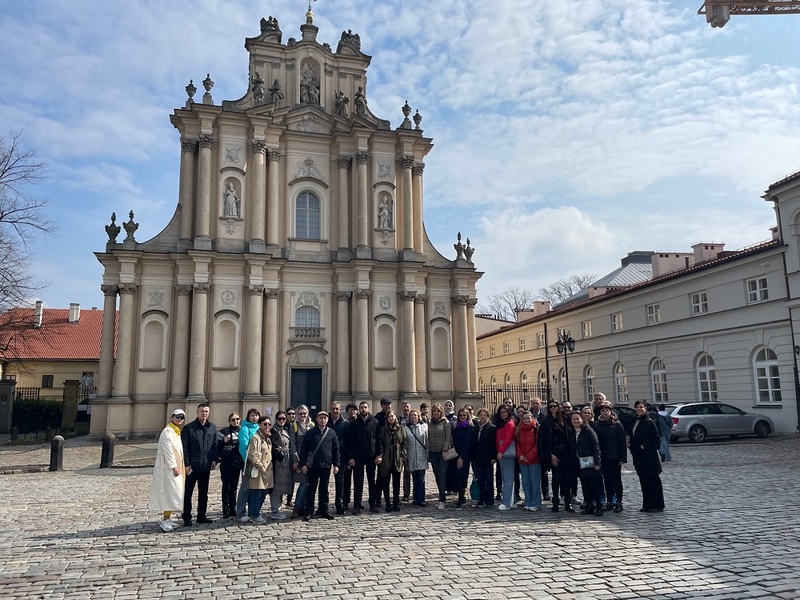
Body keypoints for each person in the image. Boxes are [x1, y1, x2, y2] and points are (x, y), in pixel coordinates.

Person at [148, 409, 186, 531]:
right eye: (177, 417)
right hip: (168, 468)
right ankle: (165, 519)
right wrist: (173, 466)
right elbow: (168, 451)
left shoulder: (176, 431)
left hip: (175, 466)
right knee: (168, 493)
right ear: (172, 417)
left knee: (173, 493)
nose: (179, 419)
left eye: (182, 417)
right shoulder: (168, 432)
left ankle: (168, 517)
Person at [181, 403, 218, 526]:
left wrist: (214, 460)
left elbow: (214, 445)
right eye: (202, 411)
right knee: (188, 493)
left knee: (203, 493)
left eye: (206, 411)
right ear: (197, 412)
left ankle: (201, 515)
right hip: (192, 466)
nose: (204, 414)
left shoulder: (212, 427)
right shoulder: (189, 428)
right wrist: (186, 464)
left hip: (205, 465)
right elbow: (184, 448)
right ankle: (186, 516)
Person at [300, 411, 340, 521]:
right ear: (317, 419)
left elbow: (336, 450)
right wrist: (303, 464)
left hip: (326, 466)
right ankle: (309, 511)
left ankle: (324, 510)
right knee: (311, 489)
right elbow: (304, 449)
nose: (323, 420)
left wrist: (336, 464)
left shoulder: (331, 433)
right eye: (321, 418)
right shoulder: (310, 433)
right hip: (313, 466)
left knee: (324, 489)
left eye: (325, 418)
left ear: (327, 420)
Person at [347, 401, 383, 514]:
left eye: (365, 407)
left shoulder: (375, 422)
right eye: (361, 407)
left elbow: (379, 440)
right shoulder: (354, 424)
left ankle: (373, 504)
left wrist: (379, 454)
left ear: (368, 408)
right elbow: (351, 442)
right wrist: (351, 457)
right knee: (358, 481)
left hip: (371, 456)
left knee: (372, 481)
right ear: (359, 410)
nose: (363, 409)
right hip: (358, 457)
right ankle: (357, 505)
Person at [631, 400, 665, 512]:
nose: (639, 409)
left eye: (641, 407)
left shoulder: (649, 421)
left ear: (645, 408)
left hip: (649, 457)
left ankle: (657, 504)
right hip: (639, 457)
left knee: (653, 481)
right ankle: (647, 504)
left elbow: (656, 439)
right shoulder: (634, 421)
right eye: (637, 407)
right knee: (644, 482)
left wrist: (644, 445)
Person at [540, 401, 575, 513]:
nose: (553, 408)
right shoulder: (545, 422)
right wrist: (550, 454)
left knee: (566, 478)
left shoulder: (565, 419)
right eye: (551, 407)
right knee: (556, 478)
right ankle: (555, 502)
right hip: (554, 452)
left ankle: (567, 502)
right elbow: (543, 441)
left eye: (555, 406)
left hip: (565, 452)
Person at [594, 402, 627, 512]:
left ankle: (619, 501)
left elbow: (622, 442)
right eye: (603, 411)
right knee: (607, 480)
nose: (605, 413)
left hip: (615, 457)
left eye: (607, 410)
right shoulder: (597, 425)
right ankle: (609, 501)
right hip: (604, 457)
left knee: (617, 479)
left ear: (610, 412)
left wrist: (622, 458)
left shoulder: (617, 424)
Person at [571, 412, 603, 516]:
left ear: (582, 419)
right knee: (585, 486)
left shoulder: (588, 431)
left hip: (591, 463)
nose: (576, 421)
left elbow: (596, 446)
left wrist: (597, 462)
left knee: (595, 486)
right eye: (573, 419)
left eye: (577, 419)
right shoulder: (571, 431)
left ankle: (598, 507)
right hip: (579, 463)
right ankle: (589, 506)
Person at [246, 415, 274, 524]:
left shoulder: (267, 437)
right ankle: (254, 515)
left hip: (267, 470)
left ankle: (256, 513)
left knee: (264, 492)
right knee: (256, 493)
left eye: (269, 424)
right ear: (259, 425)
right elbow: (252, 456)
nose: (267, 426)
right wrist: (261, 467)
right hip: (258, 470)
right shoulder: (256, 437)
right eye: (265, 424)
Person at [378, 411, 407, 512]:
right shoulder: (383, 430)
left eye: (392, 416)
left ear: (395, 417)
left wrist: (403, 454)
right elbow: (380, 443)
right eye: (389, 417)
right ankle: (387, 503)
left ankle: (395, 502)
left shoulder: (401, 428)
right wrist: (381, 455)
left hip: (397, 457)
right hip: (386, 457)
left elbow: (404, 442)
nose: (391, 418)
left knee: (396, 481)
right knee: (385, 481)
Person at [427, 403, 453, 510]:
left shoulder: (445, 422)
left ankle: (442, 499)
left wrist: (445, 450)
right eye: (434, 411)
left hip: (442, 452)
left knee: (442, 476)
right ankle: (442, 496)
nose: (436, 413)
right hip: (433, 452)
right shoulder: (430, 423)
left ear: (441, 412)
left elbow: (448, 437)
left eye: (438, 411)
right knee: (437, 475)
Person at [236, 408, 260, 522]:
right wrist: (248, 461)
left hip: (258, 463)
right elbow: (243, 447)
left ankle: (252, 511)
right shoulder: (245, 429)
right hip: (249, 463)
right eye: (252, 416)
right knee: (245, 488)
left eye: (256, 415)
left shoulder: (259, 428)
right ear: (248, 417)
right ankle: (240, 513)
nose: (254, 417)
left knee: (254, 488)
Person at [217, 412, 243, 519]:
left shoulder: (242, 431)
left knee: (234, 486)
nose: (235, 421)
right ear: (229, 421)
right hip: (226, 462)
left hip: (236, 463)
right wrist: (224, 441)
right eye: (233, 420)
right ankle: (225, 509)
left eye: (237, 419)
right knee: (226, 486)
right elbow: (217, 445)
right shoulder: (224, 431)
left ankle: (233, 508)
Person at [515, 410, 542, 511]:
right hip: (522, 460)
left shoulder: (536, 429)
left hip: (534, 460)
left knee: (534, 482)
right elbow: (517, 444)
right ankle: (528, 501)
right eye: (524, 418)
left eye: (528, 418)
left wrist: (529, 456)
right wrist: (520, 455)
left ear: (532, 418)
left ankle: (536, 503)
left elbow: (538, 445)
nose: (526, 420)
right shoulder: (519, 430)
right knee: (526, 482)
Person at [290, 405, 313, 518]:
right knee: (303, 483)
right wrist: (295, 460)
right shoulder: (294, 425)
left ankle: (303, 507)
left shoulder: (312, 425)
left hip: (311, 458)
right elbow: (292, 445)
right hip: (300, 458)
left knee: (308, 484)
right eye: (300, 414)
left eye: (304, 413)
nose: (302, 416)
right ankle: (297, 506)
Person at [267, 411, 290, 520]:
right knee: (276, 487)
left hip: (285, 459)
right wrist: (282, 459)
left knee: (281, 486)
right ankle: (275, 509)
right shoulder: (274, 431)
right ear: (276, 419)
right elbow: (274, 448)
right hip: (278, 462)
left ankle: (278, 508)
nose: (282, 421)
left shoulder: (286, 429)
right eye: (280, 419)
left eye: (284, 419)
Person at [472, 408, 496, 507]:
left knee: (489, 480)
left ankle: (489, 500)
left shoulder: (492, 428)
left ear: (488, 416)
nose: (482, 417)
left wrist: (493, 457)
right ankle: (482, 499)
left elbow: (494, 444)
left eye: (484, 415)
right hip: (478, 457)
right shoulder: (476, 427)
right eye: (481, 415)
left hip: (488, 457)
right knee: (481, 479)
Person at [329, 402, 351, 514]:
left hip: (341, 456)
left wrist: (347, 454)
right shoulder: (325, 422)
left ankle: (339, 503)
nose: (335, 411)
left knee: (340, 481)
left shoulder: (345, 424)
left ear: (339, 409)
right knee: (323, 481)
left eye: (337, 409)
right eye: (333, 409)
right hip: (327, 456)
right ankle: (322, 504)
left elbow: (349, 441)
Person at [450, 409, 474, 509]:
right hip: (455, 454)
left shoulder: (470, 427)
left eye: (464, 415)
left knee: (462, 476)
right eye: (461, 415)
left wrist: (462, 457)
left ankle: (461, 498)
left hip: (465, 455)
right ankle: (461, 496)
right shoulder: (456, 427)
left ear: (467, 416)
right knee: (457, 476)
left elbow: (468, 443)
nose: (462, 417)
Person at [405, 408, 428, 507]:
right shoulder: (406, 428)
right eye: (411, 415)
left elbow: (427, 441)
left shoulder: (424, 426)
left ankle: (421, 498)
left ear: (418, 417)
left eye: (415, 415)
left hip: (421, 455)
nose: (413, 417)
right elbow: (405, 443)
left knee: (421, 478)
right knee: (414, 478)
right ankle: (415, 498)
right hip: (411, 456)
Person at [495, 405, 517, 511]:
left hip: (506, 453)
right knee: (506, 478)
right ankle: (511, 501)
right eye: (501, 412)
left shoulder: (510, 424)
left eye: (505, 412)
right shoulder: (503, 423)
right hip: (503, 453)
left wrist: (500, 451)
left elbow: (508, 439)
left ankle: (507, 501)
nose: (503, 414)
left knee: (508, 479)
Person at [529, 397, 550, 501]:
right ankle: (533, 492)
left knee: (544, 472)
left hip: (541, 446)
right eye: (533, 403)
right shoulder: (528, 415)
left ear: (540, 404)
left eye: (537, 403)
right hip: (530, 445)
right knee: (532, 472)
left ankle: (545, 492)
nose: (535, 405)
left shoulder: (544, 417)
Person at [398, 401, 412, 502]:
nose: (406, 409)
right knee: (404, 473)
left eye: (407, 407)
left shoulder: (415, 418)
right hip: (402, 450)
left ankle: (416, 493)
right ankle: (405, 493)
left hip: (413, 448)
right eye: (404, 407)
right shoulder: (399, 419)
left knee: (415, 473)